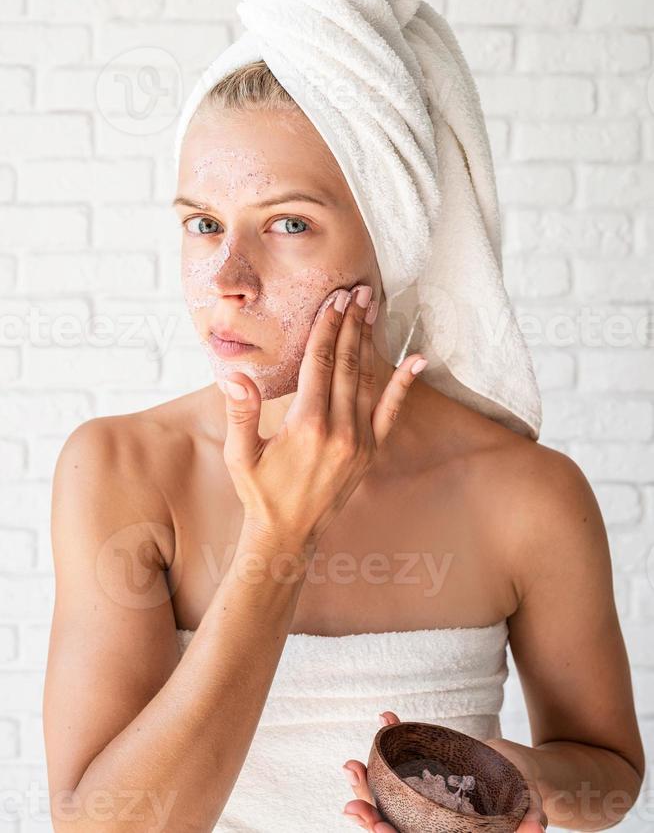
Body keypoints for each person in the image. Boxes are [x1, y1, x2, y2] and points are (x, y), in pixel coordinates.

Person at [43, 60, 644, 833]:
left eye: (289, 224)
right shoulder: (123, 469)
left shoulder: (529, 491)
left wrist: (509, 778)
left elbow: (610, 776)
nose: (228, 278)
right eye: (203, 224)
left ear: (391, 238)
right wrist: (280, 537)